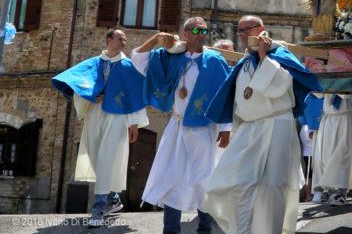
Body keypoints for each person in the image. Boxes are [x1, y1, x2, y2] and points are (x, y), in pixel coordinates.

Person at [203, 15, 320, 233]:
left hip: (277, 125)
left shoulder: (280, 54)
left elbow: (279, 86)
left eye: (247, 29)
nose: (243, 34)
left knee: (275, 187)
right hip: (249, 129)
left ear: (261, 29)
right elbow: (240, 98)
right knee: (236, 183)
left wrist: (265, 57)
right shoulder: (245, 61)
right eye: (240, 31)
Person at [131, 17, 231, 234]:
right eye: (195, 30)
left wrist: (225, 128)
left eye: (204, 30)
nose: (200, 33)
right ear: (184, 33)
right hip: (177, 126)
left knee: (204, 180)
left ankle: (204, 229)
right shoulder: (171, 57)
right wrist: (156, 39)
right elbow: (138, 59)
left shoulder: (215, 61)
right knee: (171, 176)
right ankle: (171, 230)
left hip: (205, 129)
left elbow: (225, 94)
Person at [51, 28, 148, 228]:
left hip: (118, 116)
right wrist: (88, 97)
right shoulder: (93, 63)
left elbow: (135, 94)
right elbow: (77, 85)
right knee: (95, 157)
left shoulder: (128, 66)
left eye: (125, 39)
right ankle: (113, 198)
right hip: (95, 113)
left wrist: (134, 123)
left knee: (106, 159)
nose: (124, 41)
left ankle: (98, 209)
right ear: (109, 40)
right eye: (120, 38)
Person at [311, 93, 352, 206]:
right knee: (326, 156)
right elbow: (318, 94)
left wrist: (337, 85)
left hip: (345, 116)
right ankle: (328, 188)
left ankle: (340, 191)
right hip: (328, 117)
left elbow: (350, 92)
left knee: (342, 155)